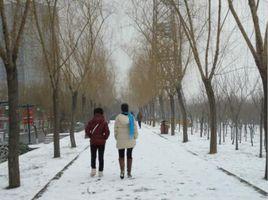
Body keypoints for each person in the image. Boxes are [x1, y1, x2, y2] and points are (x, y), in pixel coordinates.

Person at [114, 103, 138, 179]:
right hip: (130, 139)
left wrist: (117, 137)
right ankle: (129, 172)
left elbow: (115, 129)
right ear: (127, 109)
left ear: (121, 109)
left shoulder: (118, 118)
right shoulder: (131, 117)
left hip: (121, 140)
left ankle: (122, 171)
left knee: (121, 155)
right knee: (129, 155)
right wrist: (135, 136)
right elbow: (135, 128)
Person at [85, 108, 110, 177]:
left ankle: (93, 171)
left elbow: (87, 130)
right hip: (101, 142)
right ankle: (100, 172)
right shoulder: (104, 122)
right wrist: (104, 138)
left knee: (93, 156)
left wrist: (91, 136)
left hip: (93, 142)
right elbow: (107, 132)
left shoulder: (91, 121)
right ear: (102, 113)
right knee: (101, 156)